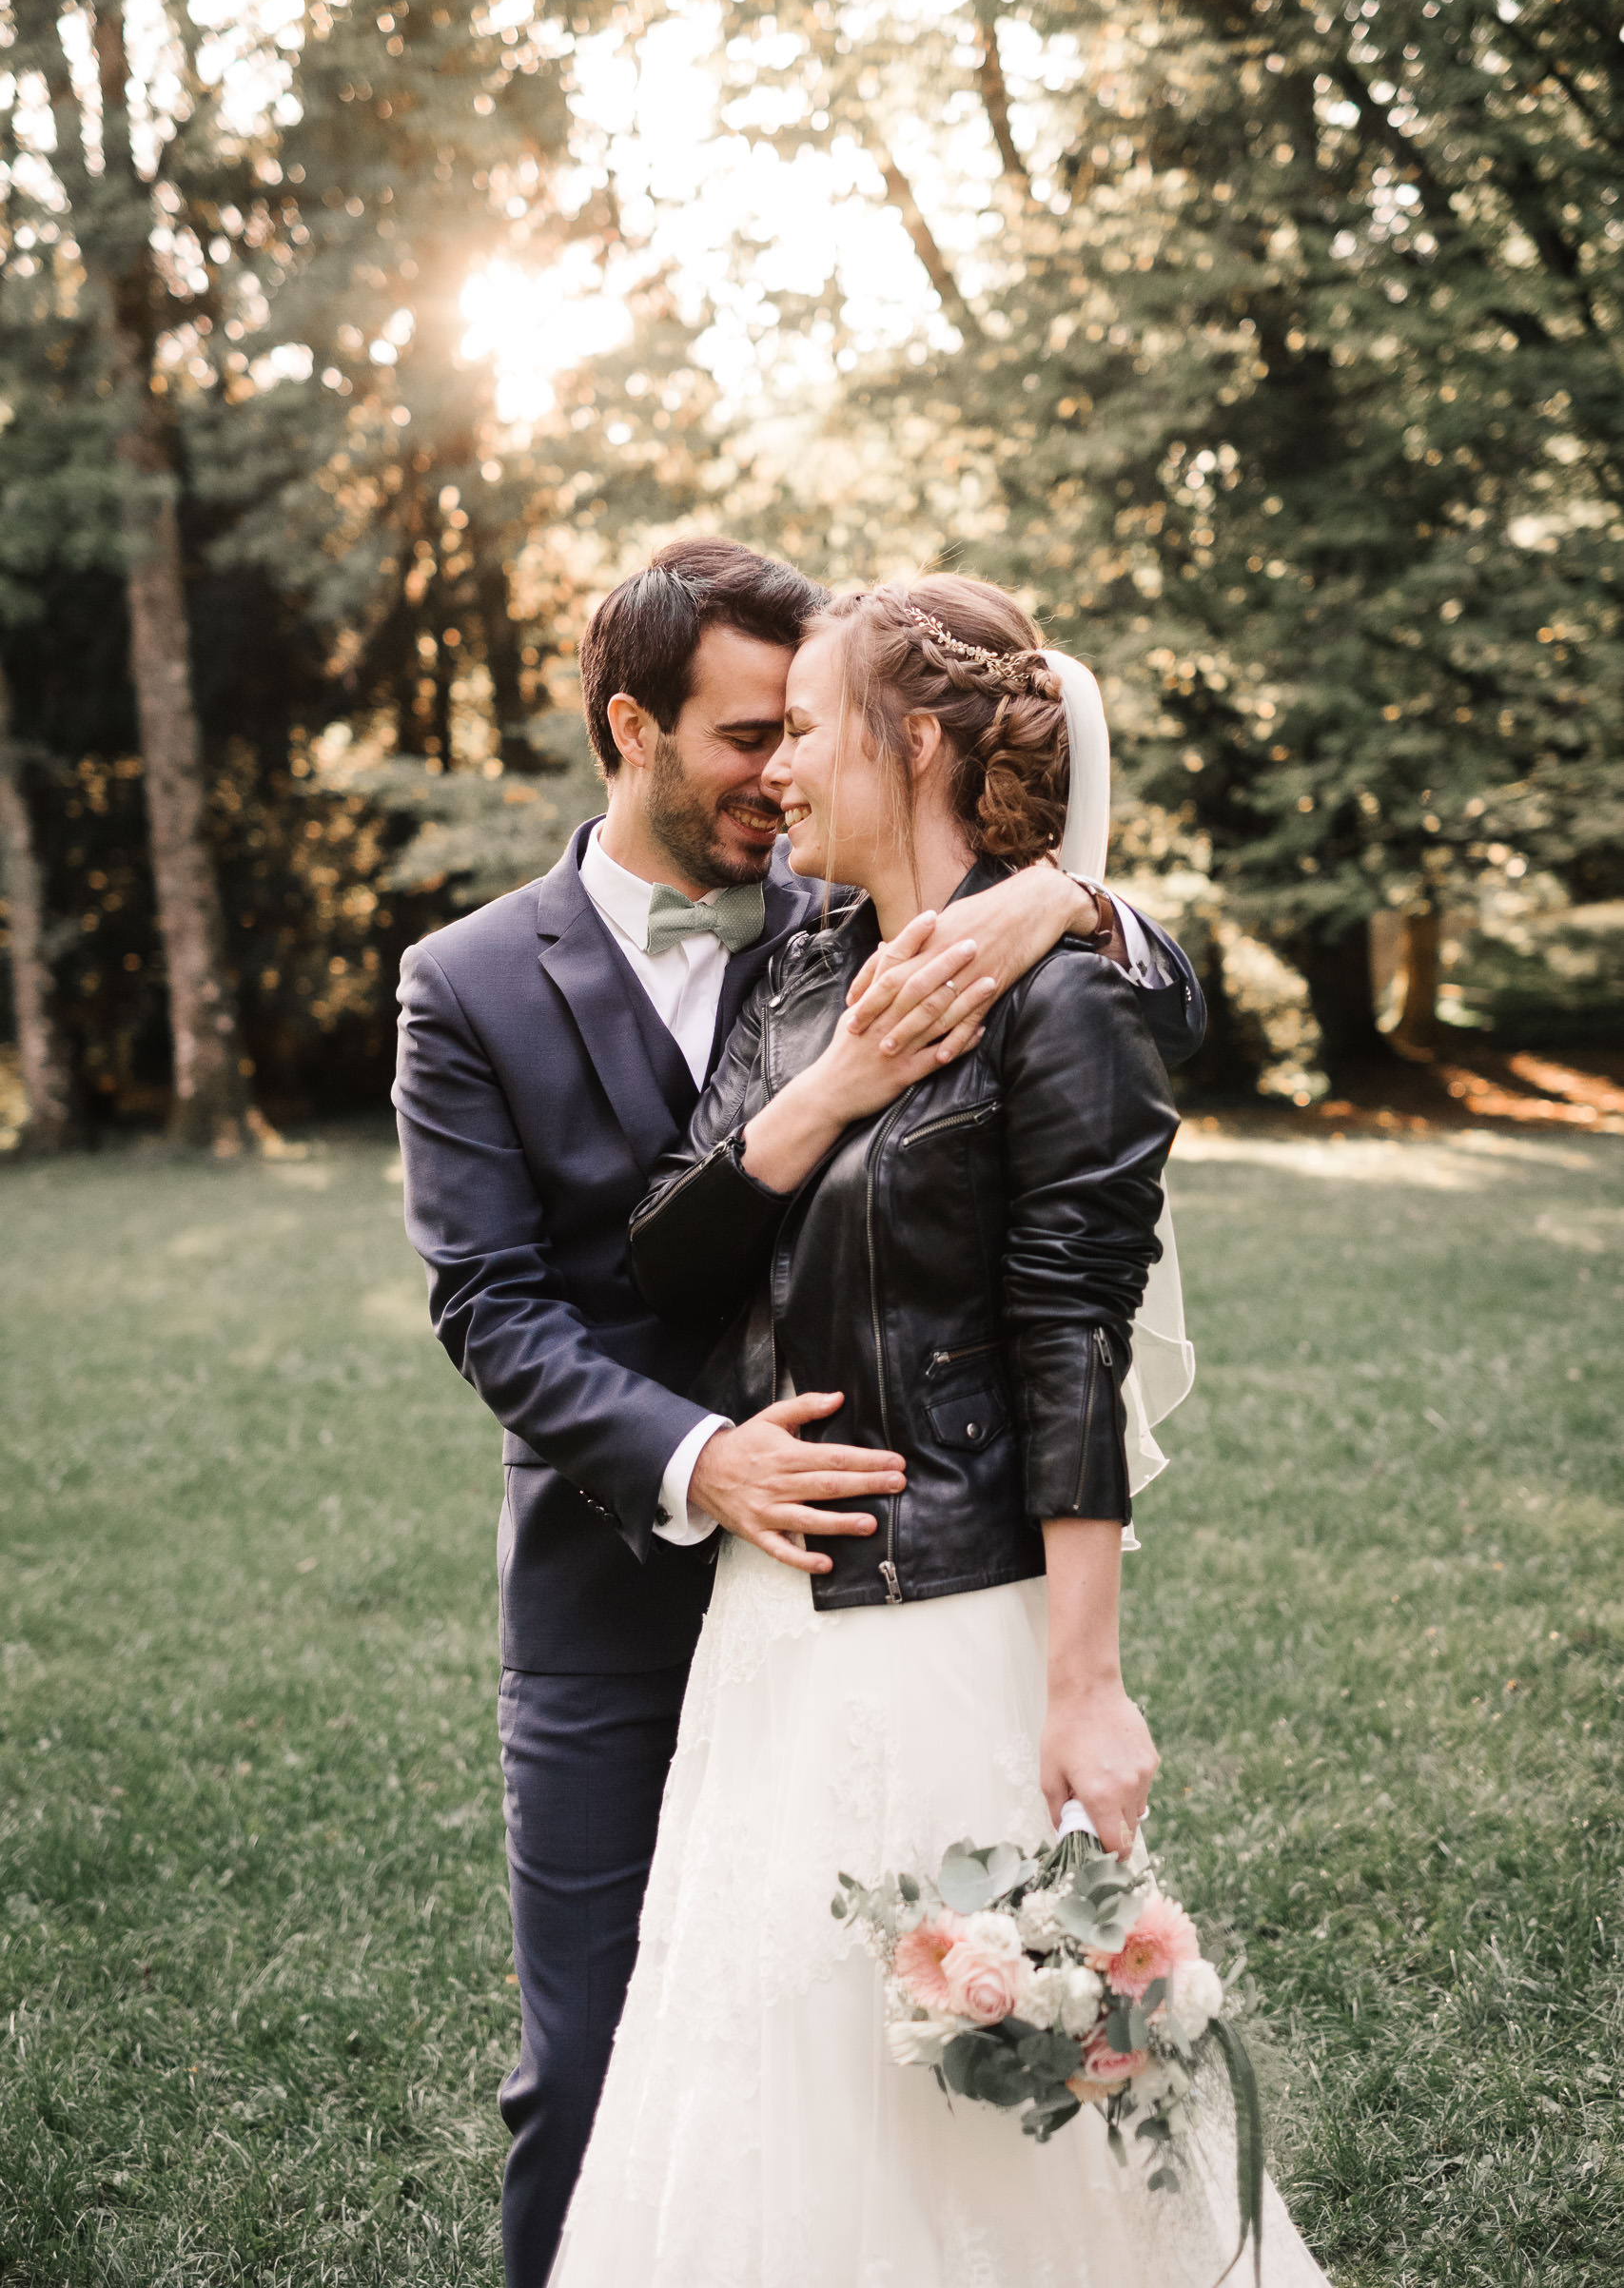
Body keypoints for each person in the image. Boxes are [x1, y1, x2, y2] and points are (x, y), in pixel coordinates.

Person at [392, 541, 1205, 2286]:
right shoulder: (468, 981)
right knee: (616, 2066)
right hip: (631, 1586)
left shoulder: (847, 914)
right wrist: (701, 1459)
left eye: (803, 733)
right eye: (744, 736)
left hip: (901, 1581)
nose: (778, 774)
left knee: (896, 2067)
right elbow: (497, 1305)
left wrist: (1067, 899)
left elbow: (1118, 1075)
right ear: (631, 727)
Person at [547, 575, 1328, 2286]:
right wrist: (844, 1084)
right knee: (762, 2058)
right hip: (772, 1625)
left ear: (912, 743)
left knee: (991, 2086)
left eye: (810, 729)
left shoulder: (1068, 993)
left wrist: (1086, 1676)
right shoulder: (808, 961)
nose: (781, 775)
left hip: (946, 1608)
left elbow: (1073, 1345)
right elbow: (670, 1248)